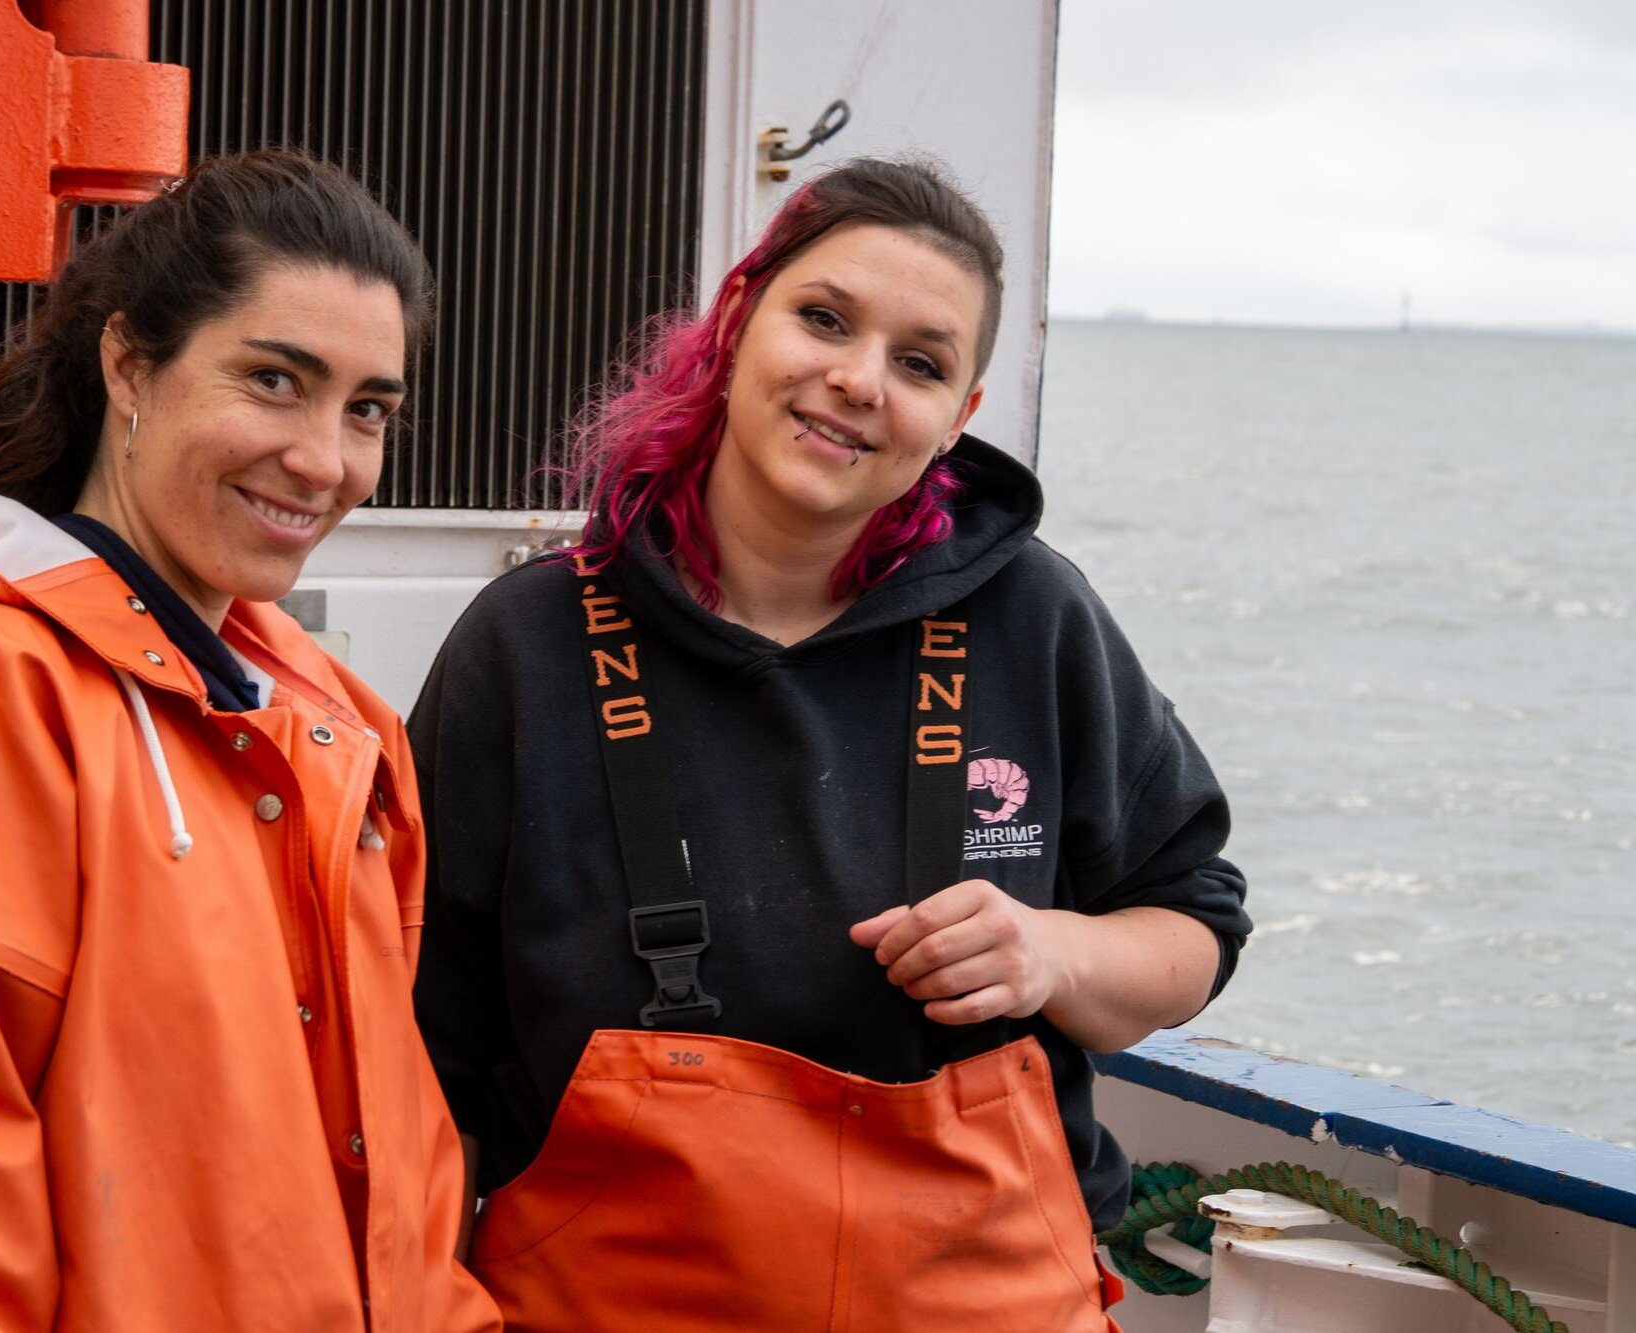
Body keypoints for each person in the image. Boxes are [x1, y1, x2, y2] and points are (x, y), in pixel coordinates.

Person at [409, 158, 1252, 1331]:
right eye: (822, 319)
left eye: (919, 363)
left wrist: (1049, 952)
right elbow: (421, 1060)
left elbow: (1190, 930)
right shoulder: (528, 644)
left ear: (957, 418)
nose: (857, 381)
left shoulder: (1035, 618)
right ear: (737, 321)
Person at [0, 149, 500, 1332]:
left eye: (367, 409)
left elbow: (404, 1192)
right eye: (276, 379)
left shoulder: (335, 725)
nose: (325, 460)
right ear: (131, 364)